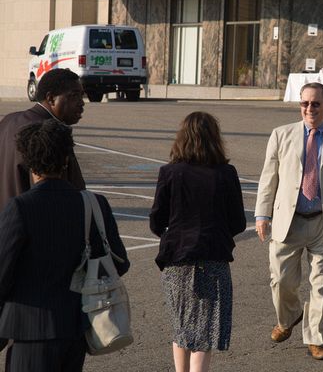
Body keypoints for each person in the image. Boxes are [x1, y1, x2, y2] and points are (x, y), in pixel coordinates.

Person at [0, 119, 130, 371]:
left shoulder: (20, 208)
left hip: (28, 326)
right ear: (67, 159)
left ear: (27, 161)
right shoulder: (93, 204)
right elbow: (119, 262)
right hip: (76, 325)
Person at [255, 82, 323, 361]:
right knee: (280, 280)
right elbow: (269, 179)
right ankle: (288, 317)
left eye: (315, 104)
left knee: (322, 284)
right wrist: (262, 215)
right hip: (287, 223)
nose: (309, 109)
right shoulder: (281, 135)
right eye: (304, 103)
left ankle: (315, 338)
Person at [150, 111, 246, 372]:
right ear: (215, 138)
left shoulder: (170, 172)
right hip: (213, 258)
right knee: (204, 332)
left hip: (177, 259)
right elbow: (238, 221)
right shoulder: (226, 173)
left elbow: (156, 221)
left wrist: (176, 235)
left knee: (181, 325)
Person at [0, 68, 86, 212]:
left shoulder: (7, 121)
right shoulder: (52, 134)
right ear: (51, 98)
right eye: (74, 96)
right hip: (35, 225)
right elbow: (74, 191)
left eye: (82, 96)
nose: (81, 103)